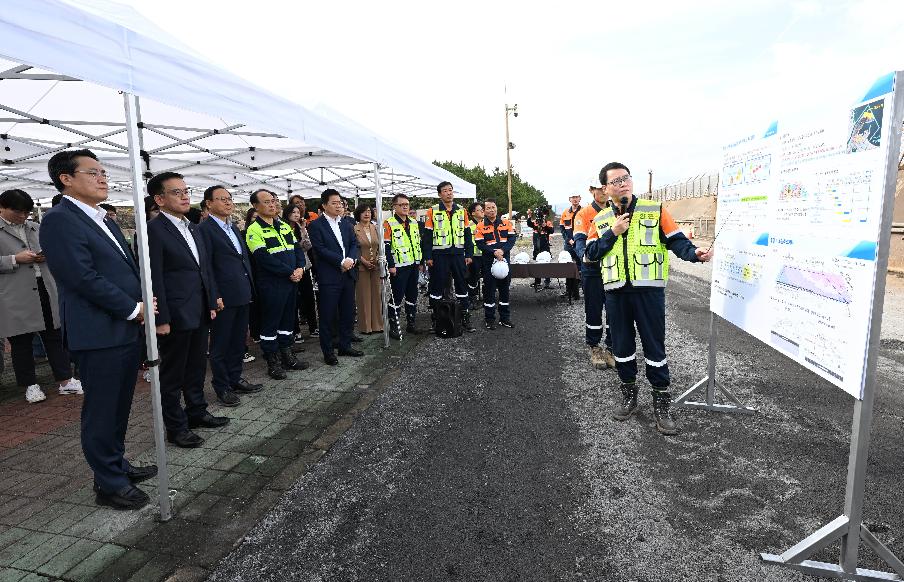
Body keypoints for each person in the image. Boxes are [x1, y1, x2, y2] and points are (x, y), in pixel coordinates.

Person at [40, 149, 156, 510]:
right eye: (93, 172)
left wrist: (140, 301)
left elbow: (123, 269)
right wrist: (132, 307)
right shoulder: (60, 220)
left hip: (120, 327)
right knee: (102, 409)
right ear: (67, 179)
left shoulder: (101, 218)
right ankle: (108, 484)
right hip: (98, 331)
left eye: (104, 172)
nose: (103, 178)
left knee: (118, 404)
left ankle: (115, 464)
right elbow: (80, 276)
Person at [585, 162, 713, 436]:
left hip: (648, 293)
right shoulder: (600, 220)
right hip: (617, 294)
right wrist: (613, 232)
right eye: (616, 181)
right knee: (621, 348)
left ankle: (661, 404)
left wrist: (694, 254)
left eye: (626, 178)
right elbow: (591, 253)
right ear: (606, 189)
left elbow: (676, 240)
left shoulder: (655, 210)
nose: (623, 184)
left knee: (655, 349)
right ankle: (629, 396)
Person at [147, 172, 229, 448]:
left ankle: (197, 411)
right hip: (175, 314)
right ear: (159, 199)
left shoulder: (193, 227)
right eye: (176, 192)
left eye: (186, 190)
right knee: (172, 374)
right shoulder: (153, 230)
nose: (184, 196)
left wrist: (212, 299)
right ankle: (176, 426)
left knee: (195, 367)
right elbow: (152, 277)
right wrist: (160, 318)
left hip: (199, 309)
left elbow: (204, 267)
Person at [0, 188, 81, 403]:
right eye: (17, 212)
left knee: (55, 335)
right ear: (2, 208)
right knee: (21, 341)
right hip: (15, 294)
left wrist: (46, 257)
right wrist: (14, 259)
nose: (23, 216)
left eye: (26, 212)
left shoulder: (35, 227)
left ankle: (65, 380)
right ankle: (30, 385)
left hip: (45, 286)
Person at [199, 185, 262, 408]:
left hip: (242, 291)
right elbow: (206, 267)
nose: (228, 202)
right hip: (223, 296)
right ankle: (222, 386)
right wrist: (214, 295)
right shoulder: (204, 230)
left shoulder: (233, 227)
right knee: (221, 345)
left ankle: (235, 379)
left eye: (229, 198)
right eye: (222, 199)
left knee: (238, 342)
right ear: (208, 203)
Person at [245, 189, 309, 379]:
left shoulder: (284, 226)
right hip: (272, 284)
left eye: (273, 201)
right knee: (270, 323)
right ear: (256, 206)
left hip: (291, 282)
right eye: (266, 202)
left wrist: (300, 268)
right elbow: (263, 258)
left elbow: (297, 249)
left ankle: (287, 356)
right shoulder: (253, 229)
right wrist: (290, 272)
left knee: (288, 321)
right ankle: (273, 362)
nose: (272, 205)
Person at [308, 189, 362, 365]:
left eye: (340, 203)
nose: (339, 206)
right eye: (334, 203)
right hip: (330, 276)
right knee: (328, 315)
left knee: (348, 312)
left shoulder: (346, 223)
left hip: (349, 274)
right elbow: (320, 250)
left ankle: (345, 345)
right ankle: (328, 351)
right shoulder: (316, 225)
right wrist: (341, 261)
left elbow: (354, 244)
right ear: (324, 205)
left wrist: (352, 259)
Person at [422, 181, 475, 332]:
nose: (448, 193)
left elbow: (467, 233)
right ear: (439, 194)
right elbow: (427, 236)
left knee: (461, 284)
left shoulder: (461, 210)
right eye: (445, 191)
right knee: (437, 286)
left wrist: (469, 253)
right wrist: (428, 256)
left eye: (450, 190)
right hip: (439, 255)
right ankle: (436, 320)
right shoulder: (432, 211)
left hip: (458, 254)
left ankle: (465, 317)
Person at [573, 185, 616, 370]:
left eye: (607, 188)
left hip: (614, 268)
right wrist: (586, 255)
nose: (604, 192)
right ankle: (594, 346)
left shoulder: (615, 211)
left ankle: (612, 347)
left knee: (615, 309)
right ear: (592, 191)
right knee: (594, 309)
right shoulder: (584, 213)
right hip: (592, 269)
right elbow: (580, 240)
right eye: (600, 189)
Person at [383, 193, 423, 339]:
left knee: (413, 295)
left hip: (413, 264)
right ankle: (393, 325)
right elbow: (386, 247)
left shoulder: (413, 222)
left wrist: (420, 262)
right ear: (394, 207)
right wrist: (391, 265)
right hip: (398, 267)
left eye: (407, 204)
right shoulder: (388, 223)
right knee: (396, 297)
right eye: (402, 205)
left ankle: (411, 324)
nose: (405, 207)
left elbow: (417, 243)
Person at [474, 199, 516, 330]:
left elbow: (512, 239)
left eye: (493, 207)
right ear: (484, 211)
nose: (491, 210)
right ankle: (489, 319)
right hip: (488, 263)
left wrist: (502, 251)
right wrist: (494, 252)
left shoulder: (506, 223)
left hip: (504, 261)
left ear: (496, 208)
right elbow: (480, 244)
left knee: (504, 291)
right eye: (488, 208)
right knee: (489, 291)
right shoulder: (480, 226)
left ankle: (504, 318)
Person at [282, 204, 318, 339]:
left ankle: (313, 327)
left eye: (298, 212)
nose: (297, 214)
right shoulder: (282, 227)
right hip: (290, 268)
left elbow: (307, 246)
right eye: (293, 212)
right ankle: (295, 331)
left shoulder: (299, 227)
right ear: (287, 213)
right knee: (294, 301)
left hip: (304, 266)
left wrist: (303, 230)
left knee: (309, 297)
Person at [352, 205, 383, 335]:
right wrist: (363, 261)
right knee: (364, 296)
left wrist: (376, 259)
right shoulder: (354, 229)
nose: (367, 214)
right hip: (361, 266)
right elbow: (353, 248)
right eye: (364, 212)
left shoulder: (375, 227)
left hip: (375, 266)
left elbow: (379, 246)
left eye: (369, 211)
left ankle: (377, 325)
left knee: (377, 295)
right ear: (358, 214)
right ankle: (366, 327)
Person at [559, 194, 582, 300]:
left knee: (581, 266)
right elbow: (562, 229)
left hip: (580, 244)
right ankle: (569, 291)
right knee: (568, 267)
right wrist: (568, 240)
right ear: (569, 199)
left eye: (577, 197)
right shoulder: (565, 213)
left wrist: (579, 241)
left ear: (580, 198)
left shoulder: (584, 211)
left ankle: (579, 291)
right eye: (573, 197)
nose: (575, 199)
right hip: (569, 245)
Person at [527, 207, 554, 290]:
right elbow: (529, 224)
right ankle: (537, 281)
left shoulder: (548, 222)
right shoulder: (535, 222)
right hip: (536, 246)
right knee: (536, 263)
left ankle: (547, 282)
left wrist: (545, 226)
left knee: (547, 263)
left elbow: (552, 231)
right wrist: (529, 216)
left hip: (545, 245)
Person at [465, 202, 484, 310]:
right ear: (473, 213)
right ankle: (472, 299)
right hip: (474, 256)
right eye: (479, 210)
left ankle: (486, 298)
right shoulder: (469, 225)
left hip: (485, 255)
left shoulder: (485, 224)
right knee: (473, 278)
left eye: (482, 209)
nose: (482, 211)